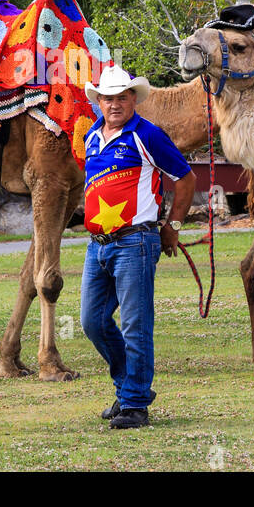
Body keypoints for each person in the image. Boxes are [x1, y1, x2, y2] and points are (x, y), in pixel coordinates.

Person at [81, 64, 196, 429]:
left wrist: (172, 226)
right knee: (92, 322)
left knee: (135, 325)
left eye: (121, 97)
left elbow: (185, 178)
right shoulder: (91, 137)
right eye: (108, 98)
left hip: (135, 243)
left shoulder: (147, 135)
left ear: (133, 99)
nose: (114, 104)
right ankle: (130, 389)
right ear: (99, 101)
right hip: (96, 245)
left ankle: (134, 405)